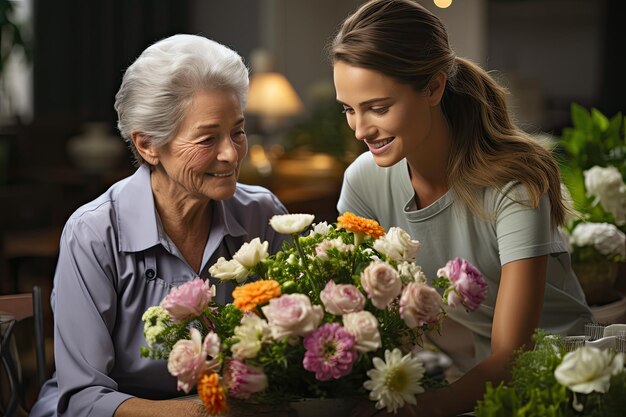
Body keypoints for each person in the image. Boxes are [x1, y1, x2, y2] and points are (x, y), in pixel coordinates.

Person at [330, 1, 592, 416]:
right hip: (480, 383)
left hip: (570, 378)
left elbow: (514, 355)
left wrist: (415, 410)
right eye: (349, 109)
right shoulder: (363, 181)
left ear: (433, 88)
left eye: (378, 108)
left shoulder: (514, 184)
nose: (361, 129)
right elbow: (356, 317)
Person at [30, 34, 289, 417]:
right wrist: (210, 413)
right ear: (148, 144)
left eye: (237, 131)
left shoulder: (262, 215)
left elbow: (291, 350)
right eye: (207, 138)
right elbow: (84, 399)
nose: (231, 154)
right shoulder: (94, 233)